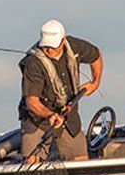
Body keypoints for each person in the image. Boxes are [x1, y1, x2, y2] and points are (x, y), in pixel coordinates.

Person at [18, 19, 103, 163]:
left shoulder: (75, 46)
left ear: (63, 41)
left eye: (53, 46)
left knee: (80, 160)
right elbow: (32, 102)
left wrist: (95, 82)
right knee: (32, 161)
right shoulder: (33, 63)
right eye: (45, 46)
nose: (48, 50)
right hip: (37, 119)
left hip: (68, 115)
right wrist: (50, 115)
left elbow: (96, 55)